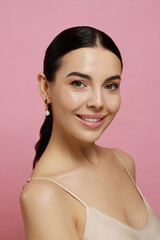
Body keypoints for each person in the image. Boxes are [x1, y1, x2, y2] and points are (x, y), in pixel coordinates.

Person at [19, 26, 160, 240]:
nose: (98, 102)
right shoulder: (43, 196)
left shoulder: (123, 162)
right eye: (78, 83)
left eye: (110, 86)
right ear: (46, 88)